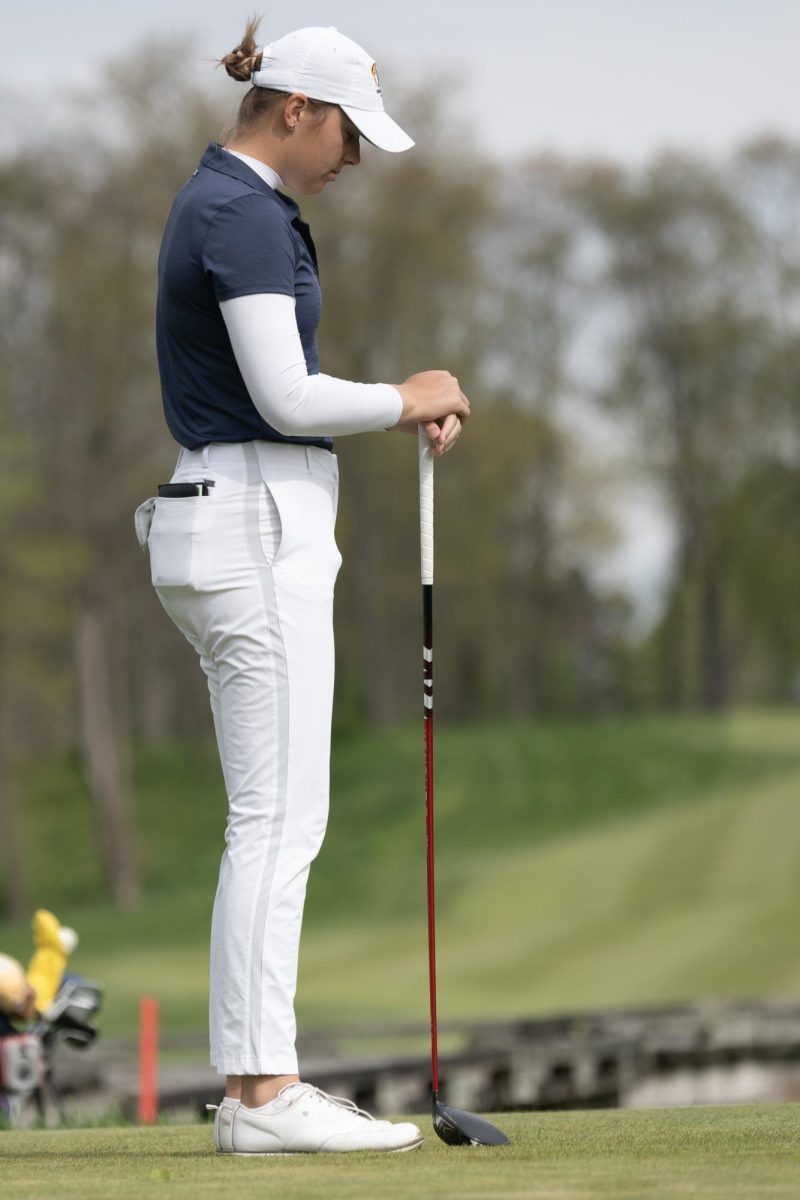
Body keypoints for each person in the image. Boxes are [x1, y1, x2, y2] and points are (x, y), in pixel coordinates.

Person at [138, 18, 469, 1155]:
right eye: (346, 135)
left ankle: (258, 1087)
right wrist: (404, 395)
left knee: (271, 815)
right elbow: (285, 396)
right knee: (278, 818)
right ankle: (265, 1095)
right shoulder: (238, 211)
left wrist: (394, 401)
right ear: (294, 111)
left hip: (234, 515)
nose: (355, 160)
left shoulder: (228, 204)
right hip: (252, 517)